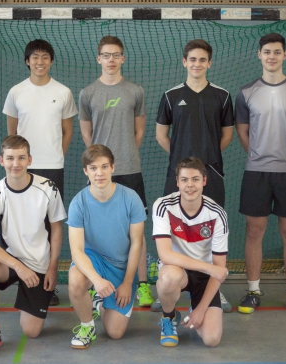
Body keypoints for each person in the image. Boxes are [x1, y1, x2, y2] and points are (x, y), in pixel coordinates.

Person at [235, 33, 286, 316]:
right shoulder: (245, 93)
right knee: (254, 231)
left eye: (276, 52)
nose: (271, 56)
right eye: (267, 51)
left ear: (285, 55)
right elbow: (243, 132)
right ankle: (253, 290)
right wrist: (259, 155)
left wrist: (285, 154)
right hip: (256, 173)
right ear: (259, 54)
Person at [155, 39, 234, 313]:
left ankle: (214, 289)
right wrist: (183, 165)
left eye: (202, 60)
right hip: (176, 177)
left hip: (211, 173)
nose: (197, 64)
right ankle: (168, 285)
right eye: (192, 59)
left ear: (209, 63)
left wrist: (204, 164)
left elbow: (227, 135)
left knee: (212, 233)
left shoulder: (222, 96)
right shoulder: (170, 95)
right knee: (173, 233)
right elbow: (161, 135)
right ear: (184, 62)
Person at [0, 135, 66, 356]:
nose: (16, 163)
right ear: (1, 161)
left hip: (39, 263)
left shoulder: (48, 188)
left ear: (29, 160)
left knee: (31, 331)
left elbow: (57, 230)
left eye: (21, 158)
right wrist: (18, 266)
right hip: (11, 262)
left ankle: (29, 301)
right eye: (10, 158)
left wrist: (53, 267)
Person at [79, 36, 154, 307]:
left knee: (137, 230)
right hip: (99, 173)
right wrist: (101, 164)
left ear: (123, 58)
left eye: (116, 55)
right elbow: (87, 133)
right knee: (94, 229)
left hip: (130, 169)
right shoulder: (87, 93)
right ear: (98, 58)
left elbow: (140, 130)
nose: (111, 60)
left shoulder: (135, 91)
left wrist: (123, 156)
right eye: (106, 55)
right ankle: (94, 283)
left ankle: (143, 285)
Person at [4, 39, 77, 305]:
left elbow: (67, 131)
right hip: (22, 168)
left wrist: (57, 155)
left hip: (53, 167)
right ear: (27, 61)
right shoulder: (16, 92)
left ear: (51, 61)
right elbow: (12, 133)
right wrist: (18, 162)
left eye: (45, 57)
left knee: (49, 225)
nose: (40, 62)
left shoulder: (64, 92)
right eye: (35, 57)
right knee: (22, 225)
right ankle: (24, 279)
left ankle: (49, 284)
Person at [67, 145, 146, 349]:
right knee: (76, 280)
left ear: (113, 167)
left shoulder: (131, 198)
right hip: (93, 260)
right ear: (86, 171)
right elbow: (76, 250)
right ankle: (87, 325)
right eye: (93, 168)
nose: (99, 173)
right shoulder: (78, 203)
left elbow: (137, 243)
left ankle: (98, 301)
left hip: (120, 267)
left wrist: (128, 282)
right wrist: (96, 279)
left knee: (115, 333)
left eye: (104, 167)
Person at [152, 157, 229, 347]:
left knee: (211, 339)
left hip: (204, 278)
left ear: (204, 181)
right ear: (177, 182)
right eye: (184, 180)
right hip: (177, 270)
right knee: (169, 276)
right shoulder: (163, 206)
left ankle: (196, 304)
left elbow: (218, 270)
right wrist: (209, 268)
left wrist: (201, 310)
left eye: (195, 179)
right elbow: (165, 255)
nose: (190, 185)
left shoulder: (217, 214)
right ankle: (169, 317)